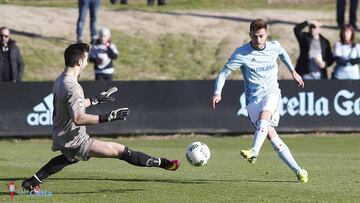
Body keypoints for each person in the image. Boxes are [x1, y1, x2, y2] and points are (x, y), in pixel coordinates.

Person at [22, 43, 180, 193]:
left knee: (69, 158)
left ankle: (33, 181)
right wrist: (108, 117)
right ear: (78, 61)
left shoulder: (61, 80)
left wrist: (94, 100)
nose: (86, 63)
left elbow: (70, 105)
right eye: (85, 60)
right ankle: (164, 163)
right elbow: (78, 118)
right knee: (121, 151)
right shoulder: (73, 87)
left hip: (63, 135)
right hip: (75, 139)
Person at [211, 19, 308, 183]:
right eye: (255, 37)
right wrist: (217, 92)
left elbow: (283, 54)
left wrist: (293, 71)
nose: (258, 40)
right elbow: (223, 73)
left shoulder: (274, 46)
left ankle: (254, 150)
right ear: (250, 35)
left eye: (261, 36)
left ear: (266, 35)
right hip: (252, 99)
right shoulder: (241, 53)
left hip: (272, 93)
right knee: (272, 136)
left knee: (265, 116)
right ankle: (299, 170)